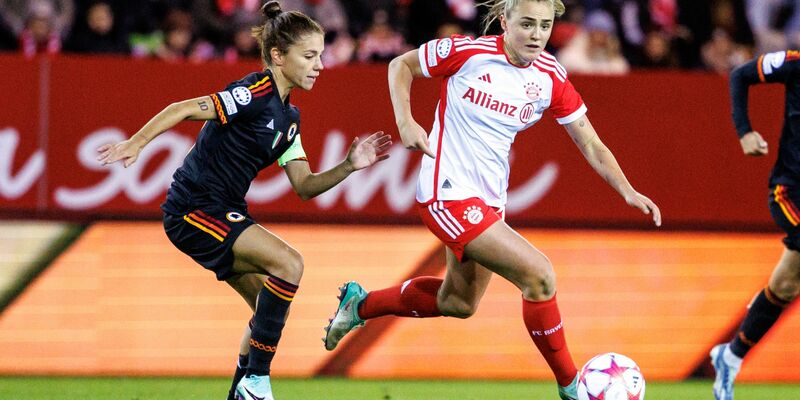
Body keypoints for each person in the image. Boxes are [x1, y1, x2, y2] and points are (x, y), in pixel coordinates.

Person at [322, 0, 661, 399]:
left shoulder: (550, 76)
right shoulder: (468, 52)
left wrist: (627, 189)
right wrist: (406, 121)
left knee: (458, 302)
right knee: (539, 275)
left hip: (488, 202)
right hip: (445, 193)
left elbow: (589, 140)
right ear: (505, 21)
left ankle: (359, 305)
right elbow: (401, 65)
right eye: (527, 24)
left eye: (545, 26)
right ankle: (572, 388)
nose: (536, 34)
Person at [96, 2, 391, 400]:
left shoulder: (290, 119)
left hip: (222, 211)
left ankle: (242, 390)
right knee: (290, 263)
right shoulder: (255, 91)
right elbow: (183, 108)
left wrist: (349, 166)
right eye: (309, 55)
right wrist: (136, 143)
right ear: (277, 56)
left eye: (320, 54)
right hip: (193, 210)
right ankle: (256, 382)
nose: (320, 64)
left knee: (267, 312)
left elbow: (304, 186)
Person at [710, 49, 800, 400]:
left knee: (787, 284)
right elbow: (740, 75)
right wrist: (744, 131)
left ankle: (729, 357)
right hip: (790, 192)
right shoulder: (794, 62)